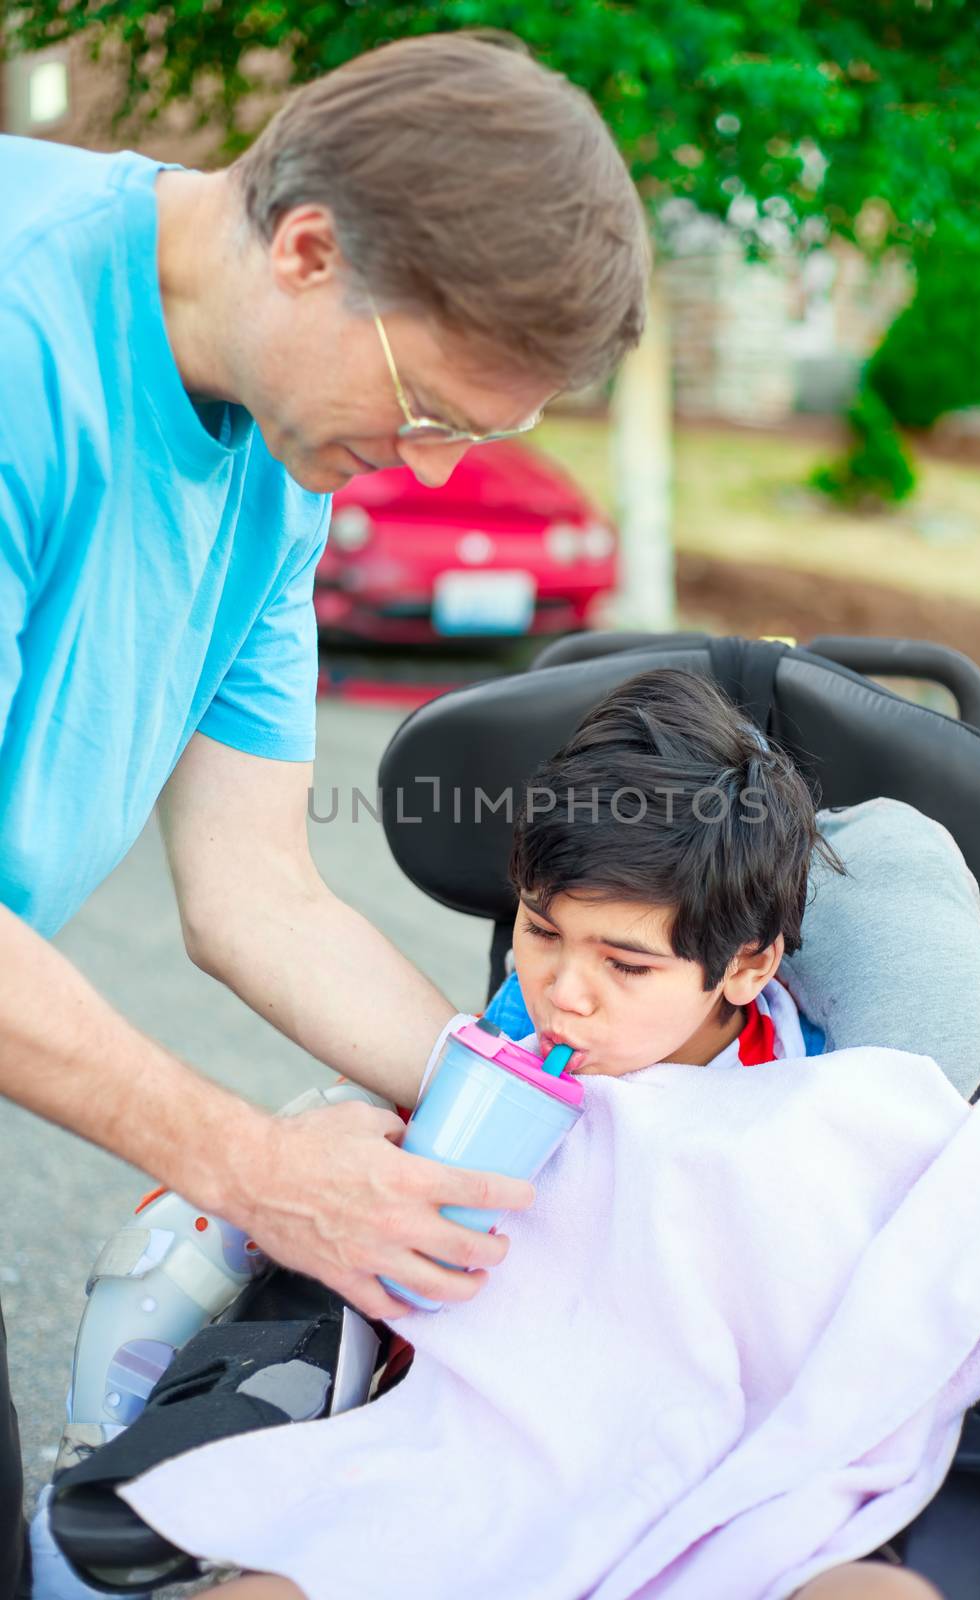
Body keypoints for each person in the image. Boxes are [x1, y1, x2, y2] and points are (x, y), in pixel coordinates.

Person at [0, 31, 649, 1595]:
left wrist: (544, 1120)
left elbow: (256, 894)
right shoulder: (21, 342)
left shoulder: (289, 457)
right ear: (307, 249)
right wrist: (258, 1165)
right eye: (429, 408)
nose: (428, 474)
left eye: (475, 440)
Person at [112, 669, 980, 1600]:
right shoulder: (489, 1083)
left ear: (746, 965)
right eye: (540, 931)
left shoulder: (844, 1103)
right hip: (491, 1454)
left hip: (753, 1477)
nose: (562, 994)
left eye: (626, 964)